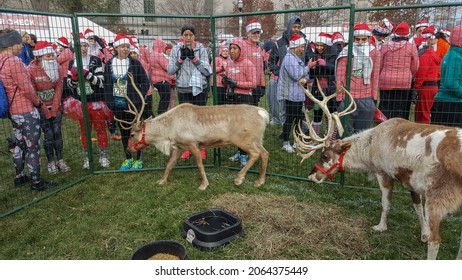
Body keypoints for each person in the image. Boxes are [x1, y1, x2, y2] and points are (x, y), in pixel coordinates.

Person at [0, 29, 55, 190]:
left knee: (19, 144)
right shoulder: (14, 62)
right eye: (20, 43)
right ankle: (36, 181)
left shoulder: (1, 61)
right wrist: (39, 104)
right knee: (33, 145)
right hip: (25, 110)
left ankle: (20, 176)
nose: (22, 47)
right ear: (12, 44)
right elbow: (27, 89)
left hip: (13, 111)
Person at [104, 33, 150, 170]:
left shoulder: (135, 64)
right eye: (123, 46)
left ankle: (139, 158)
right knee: (124, 132)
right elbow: (106, 86)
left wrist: (138, 97)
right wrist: (110, 103)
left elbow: (145, 82)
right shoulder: (109, 65)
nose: (125, 49)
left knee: (136, 132)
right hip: (118, 105)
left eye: (127, 47)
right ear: (116, 47)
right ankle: (128, 158)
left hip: (134, 106)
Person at [167, 23, 212, 160]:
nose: (188, 38)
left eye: (190, 35)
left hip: (199, 89)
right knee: (186, 121)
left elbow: (207, 71)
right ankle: (189, 148)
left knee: (199, 120)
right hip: (183, 88)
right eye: (185, 35)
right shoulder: (176, 49)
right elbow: (170, 71)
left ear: (194, 36)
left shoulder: (201, 49)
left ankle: (201, 148)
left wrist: (194, 59)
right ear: (182, 36)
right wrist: (180, 60)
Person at [67, 33, 111, 169]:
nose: (84, 49)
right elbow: (69, 85)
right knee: (85, 131)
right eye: (80, 47)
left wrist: (87, 74)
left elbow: (101, 82)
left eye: (85, 46)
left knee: (101, 129)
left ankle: (103, 156)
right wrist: (74, 80)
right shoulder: (71, 63)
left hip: (96, 101)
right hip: (81, 102)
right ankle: (88, 156)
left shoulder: (95, 60)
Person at [28, 41, 71, 174]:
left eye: (52, 55)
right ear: (39, 56)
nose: (51, 58)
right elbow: (32, 91)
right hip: (41, 108)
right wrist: (44, 109)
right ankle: (51, 161)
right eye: (48, 56)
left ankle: (60, 159)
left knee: (57, 133)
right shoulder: (30, 70)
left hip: (55, 106)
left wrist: (55, 106)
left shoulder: (56, 67)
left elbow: (59, 87)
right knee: (48, 134)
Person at [268, 16, 314, 139]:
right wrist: (281, 73)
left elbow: (310, 58)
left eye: (298, 27)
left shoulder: (306, 41)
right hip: (287, 81)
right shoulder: (279, 43)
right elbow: (271, 62)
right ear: (289, 27)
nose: (296, 29)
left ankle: (299, 132)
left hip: (301, 80)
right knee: (286, 110)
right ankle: (286, 134)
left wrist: (306, 75)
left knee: (300, 109)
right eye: (294, 26)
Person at [336, 23, 381, 134]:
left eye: (363, 39)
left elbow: (375, 76)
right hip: (348, 96)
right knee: (345, 131)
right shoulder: (346, 52)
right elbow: (340, 75)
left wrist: (374, 97)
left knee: (363, 132)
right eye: (357, 39)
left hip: (366, 96)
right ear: (353, 38)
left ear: (369, 38)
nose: (360, 42)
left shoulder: (374, 52)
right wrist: (339, 97)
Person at [222, 39, 257, 165]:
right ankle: (239, 151)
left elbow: (253, 84)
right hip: (233, 98)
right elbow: (228, 78)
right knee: (236, 128)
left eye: (234, 48)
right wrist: (225, 81)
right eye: (230, 48)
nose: (231, 51)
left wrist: (237, 84)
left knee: (244, 129)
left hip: (245, 99)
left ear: (241, 50)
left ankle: (244, 154)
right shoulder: (230, 64)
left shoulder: (248, 64)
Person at [378, 21, 419, 120]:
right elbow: (415, 66)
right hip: (403, 81)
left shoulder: (385, 46)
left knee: (385, 107)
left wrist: (381, 75)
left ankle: (383, 128)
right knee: (400, 108)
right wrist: (409, 74)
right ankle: (397, 130)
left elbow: (379, 64)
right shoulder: (411, 47)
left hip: (386, 80)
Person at [277, 34, 310, 153]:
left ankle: (297, 141)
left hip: (296, 94)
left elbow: (303, 76)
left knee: (298, 118)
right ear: (295, 47)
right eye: (301, 46)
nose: (302, 49)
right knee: (291, 119)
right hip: (290, 95)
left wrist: (304, 77)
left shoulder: (295, 57)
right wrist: (308, 67)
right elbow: (297, 75)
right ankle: (286, 143)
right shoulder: (290, 58)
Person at [431, 25, 462, 127]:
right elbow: (451, 83)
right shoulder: (455, 57)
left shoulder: (453, 54)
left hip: (447, 103)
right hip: (450, 104)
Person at [310, 32, 337, 137]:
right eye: (317, 45)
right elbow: (312, 76)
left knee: (330, 113)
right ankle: (315, 135)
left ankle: (331, 135)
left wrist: (326, 65)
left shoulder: (333, 56)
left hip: (330, 90)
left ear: (326, 46)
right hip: (317, 90)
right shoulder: (314, 56)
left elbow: (334, 69)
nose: (319, 48)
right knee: (317, 113)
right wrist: (311, 68)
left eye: (322, 46)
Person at [414, 26, 441, 124]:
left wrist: (416, 88)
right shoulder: (433, 54)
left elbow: (421, 74)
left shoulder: (426, 56)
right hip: (432, 86)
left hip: (426, 88)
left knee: (423, 114)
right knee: (423, 112)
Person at [238, 20, 266, 106]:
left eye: (258, 33)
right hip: (245, 86)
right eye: (254, 33)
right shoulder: (242, 46)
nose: (257, 35)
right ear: (248, 33)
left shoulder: (259, 48)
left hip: (256, 85)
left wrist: (262, 84)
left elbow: (261, 68)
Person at [149, 38, 171, 115]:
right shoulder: (159, 55)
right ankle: (162, 114)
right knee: (165, 100)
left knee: (162, 98)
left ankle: (160, 113)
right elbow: (167, 67)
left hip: (155, 80)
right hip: (163, 80)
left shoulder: (151, 54)